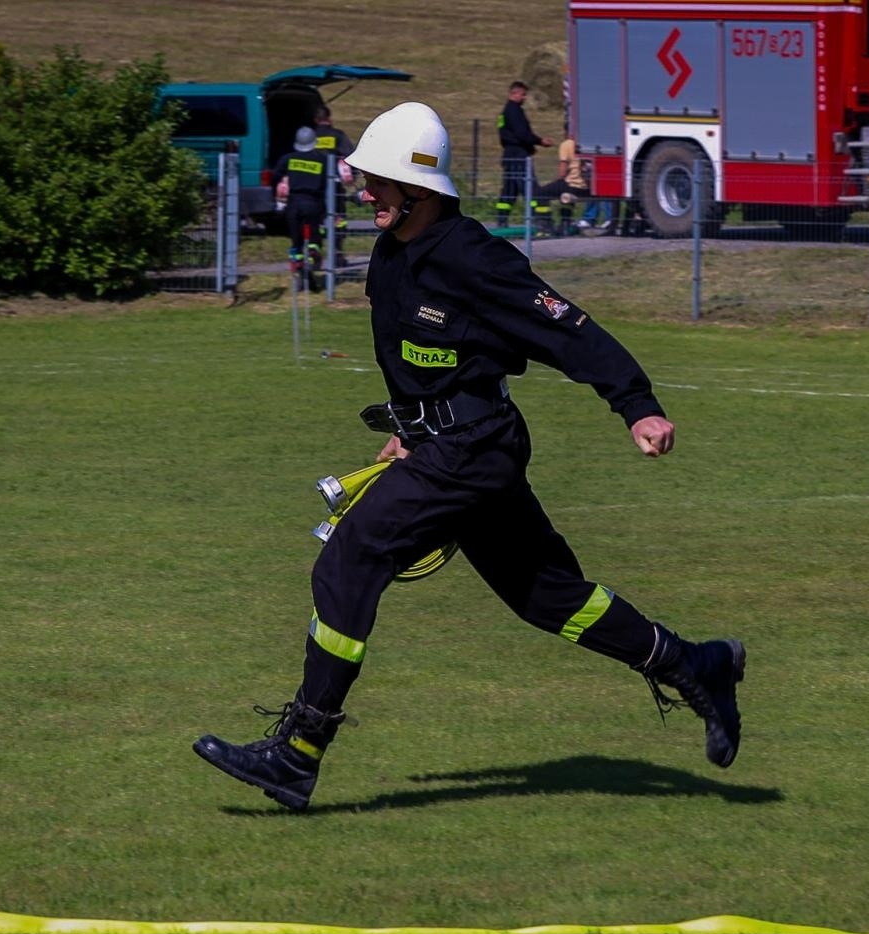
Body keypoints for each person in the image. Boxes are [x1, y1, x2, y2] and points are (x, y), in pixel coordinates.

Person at [194, 102, 746, 812]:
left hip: (474, 450)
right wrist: (407, 428)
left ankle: (299, 751)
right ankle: (695, 664)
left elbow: (569, 330)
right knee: (548, 599)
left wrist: (636, 405)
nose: (366, 194)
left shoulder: (476, 259)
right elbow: (414, 361)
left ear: (419, 189)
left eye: (378, 184)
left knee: (350, 558)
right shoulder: (392, 255)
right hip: (446, 448)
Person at [272, 126, 328, 287]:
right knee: (313, 239)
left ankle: (299, 268)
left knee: (296, 242)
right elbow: (330, 183)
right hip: (313, 204)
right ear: (314, 142)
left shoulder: (288, 159)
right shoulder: (322, 160)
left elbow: (275, 177)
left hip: (293, 205)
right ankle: (312, 257)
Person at [495, 80, 552, 228]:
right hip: (518, 156)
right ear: (513, 93)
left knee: (509, 190)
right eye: (523, 94)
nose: (525, 98)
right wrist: (540, 141)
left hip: (509, 155)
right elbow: (522, 134)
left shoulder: (505, 112)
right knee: (529, 187)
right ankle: (540, 220)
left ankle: (502, 220)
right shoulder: (514, 111)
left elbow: (506, 135)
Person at [312, 105, 357, 257]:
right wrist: (352, 178)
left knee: (316, 220)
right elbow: (351, 157)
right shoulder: (338, 135)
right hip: (335, 186)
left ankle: (315, 251)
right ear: (329, 119)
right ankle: (337, 253)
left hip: (315, 187)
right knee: (339, 219)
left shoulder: (310, 137)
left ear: (315, 120)